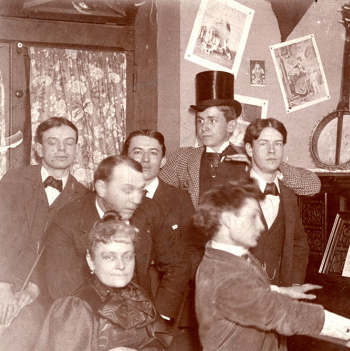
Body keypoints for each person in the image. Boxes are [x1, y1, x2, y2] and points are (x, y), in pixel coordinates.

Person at [193, 180, 350, 351]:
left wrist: (280, 291)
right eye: (253, 217)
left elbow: (250, 294)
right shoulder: (226, 278)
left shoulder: (227, 256)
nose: (261, 225)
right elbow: (283, 313)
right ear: (227, 221)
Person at [22, 212, 172, 351]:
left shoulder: (136, 294)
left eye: (128, 256)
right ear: (90, 261)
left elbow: (155, 341)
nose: (121, 266)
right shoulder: (76, 308)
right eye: (109, 257)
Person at [0, 117, 88, 351]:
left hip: (43, 293)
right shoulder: (14, 181)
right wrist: (2, 286)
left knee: (26, 328)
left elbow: (71, 261)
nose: (61, 150)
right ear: (39, 149)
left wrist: (33, 289)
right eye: (52, 143)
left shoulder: (83, 197)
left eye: (69, 143)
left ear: (77, 149)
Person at [44, 155, 190, 322]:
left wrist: (159, 317)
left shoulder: (149, 210)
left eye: (140, 190)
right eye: (127, 190)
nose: (136, 199)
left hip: (143, 318)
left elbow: (178, 264)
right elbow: (62, 289)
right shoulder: (66, 221)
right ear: (101, 188)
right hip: (90, 320)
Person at [159, 70, 321, 209]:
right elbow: (155, 189)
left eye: (212, 120)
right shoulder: (184, 159)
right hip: (197, 244)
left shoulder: (250, 157)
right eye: (200, 120)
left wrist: (269, 168)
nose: (204, 127)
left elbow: (313, 185)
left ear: (231, 126)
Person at [122, 129, 203, 278]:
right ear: (126, 159)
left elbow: (192, 252)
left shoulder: (180, 199)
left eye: (153, 153)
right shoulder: (113, 196)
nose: (145, 160)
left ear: (163, 161)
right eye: (138, 152)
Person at [245, 118, 309, 287]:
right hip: (242, 295)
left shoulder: (288, 194)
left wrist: (295, 285)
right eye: (263, 144)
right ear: (249, 149)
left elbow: (299, 244)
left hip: (280, 294)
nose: (272, 150)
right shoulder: (232, 192)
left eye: (278, 144)